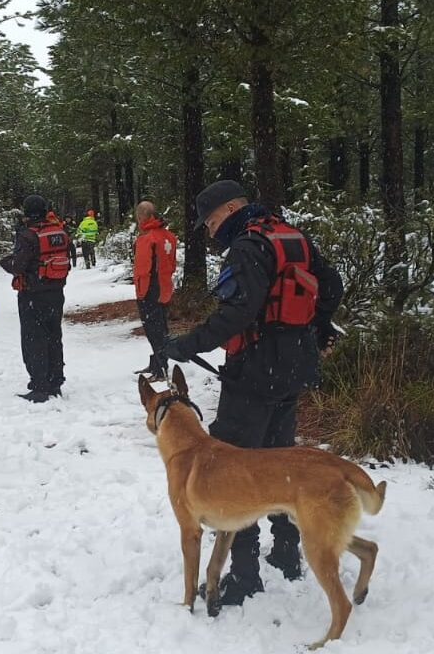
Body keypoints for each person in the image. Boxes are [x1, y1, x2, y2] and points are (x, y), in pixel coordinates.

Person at [163, 179, 343, 605]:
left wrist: (186, 345)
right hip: (294, 367)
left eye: (210, 221)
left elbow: (238, 313)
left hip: (256, 371)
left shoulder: (247, 247)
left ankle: (244, 577)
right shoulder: (291, 235)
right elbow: (331, 285)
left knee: (231, 473)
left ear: (230, 209)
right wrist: (315, 327)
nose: (210, 232)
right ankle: (287, 553)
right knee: (281, 461)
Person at [0, 194, 70, 402]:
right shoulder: (60, 232)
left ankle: (40, 386)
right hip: (56, 293)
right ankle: (55, 381)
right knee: (54, 337)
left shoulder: (28, 235)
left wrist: (5, 262)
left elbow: (18, 266)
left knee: (34, 340)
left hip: (33, 294)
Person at [131, 200, 178, 382]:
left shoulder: (146, 239)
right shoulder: (168, 236)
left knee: (153, 330)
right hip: (164, 288)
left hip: (149, 290)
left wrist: (141, 293)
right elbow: (172, 265)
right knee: (162, 327)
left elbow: (142, 271)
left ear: (142, 216)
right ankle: (158, 362)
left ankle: (160, 368)